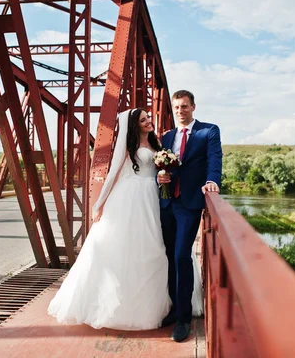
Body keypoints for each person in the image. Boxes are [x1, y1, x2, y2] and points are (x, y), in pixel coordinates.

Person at [48, 108, 203, 330]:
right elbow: (112, 174)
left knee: (159, 247)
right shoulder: (129, 147)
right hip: (133, 196)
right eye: (143, 120)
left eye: (148, 117)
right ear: (134, 126)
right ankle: (130, 308)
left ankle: (170, 303)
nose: (148, 121)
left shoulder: (157, 143)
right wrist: (99, 204)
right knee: (133, 247)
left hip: (155, 196)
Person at [158, 90, 222, 342]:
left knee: (181, 255)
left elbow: (214, 159)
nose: (180, 111)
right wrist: (159, 177)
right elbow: (160, 167)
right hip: (166, 202)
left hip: (189, 203)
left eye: (184, 106)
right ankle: (174, 308)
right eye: (176, 107)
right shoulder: (167, 137)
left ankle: (183, 318)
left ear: (193, 107)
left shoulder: (209, 131)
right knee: (169, 256)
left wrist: (212, 181)